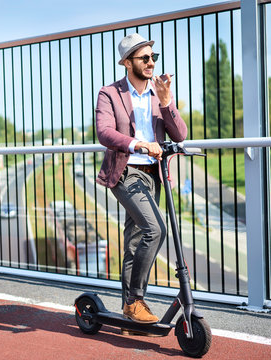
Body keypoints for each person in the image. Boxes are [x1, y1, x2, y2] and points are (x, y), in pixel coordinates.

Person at [95, 33, 187, 325]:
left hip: (153, 176)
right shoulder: (109, 94)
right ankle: (136, 299)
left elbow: (180, 134)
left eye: (153, 57)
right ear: (126, 62)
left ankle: (128, 310)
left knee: (135, 242)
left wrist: (167, 102)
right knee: (155, 230)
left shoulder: (157, 95)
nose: (151, 63)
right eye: (144, 57)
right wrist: (139, 143)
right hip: (126, 172)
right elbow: (104, 132)